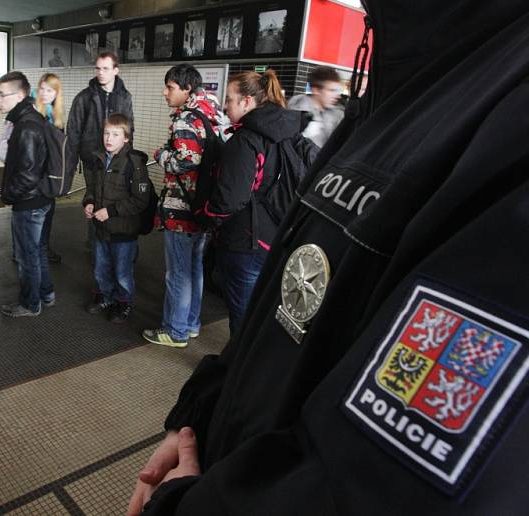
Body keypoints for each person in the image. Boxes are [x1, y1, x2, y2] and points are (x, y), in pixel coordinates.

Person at [127, 0, 529, 513]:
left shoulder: (498, 108)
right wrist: (197, 420)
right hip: (229, 453)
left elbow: (388, 481)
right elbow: (283, 310)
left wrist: (183, 506)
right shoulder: (402, 87)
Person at [203, 70, 312, 336]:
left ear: (248, 101)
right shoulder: (289, 132)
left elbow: (230, 198)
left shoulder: (245, 140)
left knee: (242, 316)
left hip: (245, 242)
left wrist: (207, 217)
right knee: (264, 311)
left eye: (229, 99)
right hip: (277, 237)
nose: (225, 105)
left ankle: (236, 369)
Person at [142, 64, 229, 348]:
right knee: (194, 269)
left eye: (170, 87)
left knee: (178, 273)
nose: (165, 93)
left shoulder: (185, 119)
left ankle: (175, 331)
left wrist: (160, 153)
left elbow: (185, 161)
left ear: (187, 88)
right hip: (204, 206)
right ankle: (190, 324)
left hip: (182, 208)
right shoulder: (214, 112)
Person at [82, 113, 150, 323]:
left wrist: (110, 211)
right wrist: (89, 202)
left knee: (122, 271)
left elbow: (140, 200)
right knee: (101, 267)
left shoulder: (134, 164)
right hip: (101, 228)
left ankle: (123, 302)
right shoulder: (99, 159)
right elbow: (92, 188)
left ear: (126, 138)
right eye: (106, 133)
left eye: (115, 134)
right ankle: (105, 296)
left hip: (123, 231)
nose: (109, 139)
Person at [0, 71, 54, 317]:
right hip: (41, 198)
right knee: (38, 250)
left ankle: (30, 304)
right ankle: (46, 293)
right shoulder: (32, 119)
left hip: (28, 202)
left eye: (2, 94)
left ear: (20, 95)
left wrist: (9, 194)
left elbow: (28, 173)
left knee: (26, 255)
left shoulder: (26, 126)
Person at [67, 51, 134, 187]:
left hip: (117, 160)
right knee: (93, 199)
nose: (100, 73)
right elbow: (73, 131)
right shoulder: (84, 97)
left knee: (113, 199)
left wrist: (128, 156)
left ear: (116, 70)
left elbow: (129, 129)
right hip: (91, 160)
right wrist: (71, 163)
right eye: (98, 68)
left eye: (105, 68)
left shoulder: (125, 97)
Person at [35, 73, 64, 264]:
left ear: (56, 93)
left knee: (48, 211)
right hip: (34, 172)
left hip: (49, 173)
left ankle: (42, 247)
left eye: (50, 90)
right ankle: (27, 250)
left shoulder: (57, 116)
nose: (45, 94)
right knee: (32, 214)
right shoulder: (33, 112)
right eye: (42, 89)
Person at [288, 66, 344, 147]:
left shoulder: (337, 114)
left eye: (337, 91)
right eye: (331, 90)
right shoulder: (296, 114)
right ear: (316, 90)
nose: (337, 96)